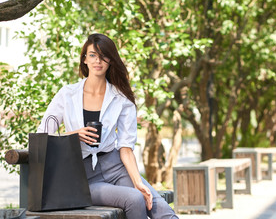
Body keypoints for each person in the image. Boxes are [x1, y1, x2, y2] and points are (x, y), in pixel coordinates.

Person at [37, 33, 178, 219]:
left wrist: (138, 182)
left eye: (104, 55)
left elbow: (126, 148)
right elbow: (41, 137)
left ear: (110, 60)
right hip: (82, 175)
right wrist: (73, 135)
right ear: (84, 59)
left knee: (162, 210)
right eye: (93, 55)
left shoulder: (121, 98)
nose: (98, 60)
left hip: (116, 167)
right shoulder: (67, 95)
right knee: (135, 199)